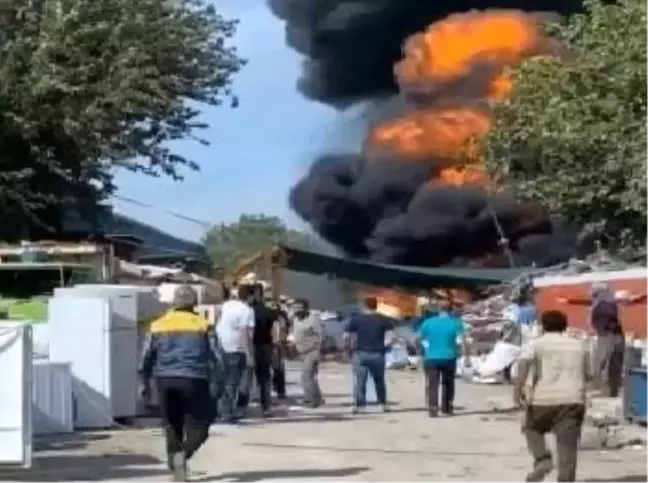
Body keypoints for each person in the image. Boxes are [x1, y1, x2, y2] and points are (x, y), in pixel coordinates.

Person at [138, 285, 221, 483]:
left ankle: (177, 469)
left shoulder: (157, 325)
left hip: (164, 380)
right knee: (201, 424)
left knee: (171, 424)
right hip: (195, 378)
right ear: (194, 304)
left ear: (174, 303)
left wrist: (144, 382)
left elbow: (146, 357)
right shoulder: (203, 324)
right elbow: (217, 357)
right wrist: (220, 382)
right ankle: (182, 456)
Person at [514, 310, 589, 483]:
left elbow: (523, 367)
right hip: (573, 400)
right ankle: (566, 479)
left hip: (542, 400)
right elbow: (589, 373)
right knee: (567, 447)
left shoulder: (535, 344)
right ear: (565, 325)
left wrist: (517, 393)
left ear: (542, 326)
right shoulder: (579, 345)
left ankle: (543, 460)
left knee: (531, 428)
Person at [558, 282, 645, 397]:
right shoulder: (600, 300)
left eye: (593, 291)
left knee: (605, 362)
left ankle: (607, 390)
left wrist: (637, 298)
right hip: (608, 335)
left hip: (609, 336)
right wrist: (569, 301)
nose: (592, 294)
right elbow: (588, 302)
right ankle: (610, 390)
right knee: (609, 363)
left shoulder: (608, 300)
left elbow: (624, 301)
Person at [344, 296, 395, 414]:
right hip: (378, 353)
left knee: (360, 381)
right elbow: (391, 337)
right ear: (376, 306)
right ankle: (383, 404)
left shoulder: (356, 319)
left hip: (360, 353)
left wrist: (348, 350)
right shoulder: (383, 319)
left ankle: (359, 405)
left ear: (363, 306)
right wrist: (386, 347)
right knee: (379, 380)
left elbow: (347, 336)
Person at [416, 298, 466, 417]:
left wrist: (424, 349)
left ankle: (433, 408)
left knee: (432, 384)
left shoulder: (428, 322)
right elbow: (461, 341)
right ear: (451, 310)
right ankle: (447, 407)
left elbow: (418, 338)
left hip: (431, 357)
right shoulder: (456, 323)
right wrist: (464, 355)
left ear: (438, 309)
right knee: (448, 383)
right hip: (449, 357)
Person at [215, 284, 255, 423]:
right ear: (251, 296)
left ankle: (220, 410)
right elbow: (246, 334)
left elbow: (217, 321)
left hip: (220, 346)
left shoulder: (226, 305)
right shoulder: (247, 310)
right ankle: (227, 413)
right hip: (236, 348)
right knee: (234, 382)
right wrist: (249, 355)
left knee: (222, 380)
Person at [238, 283, 277, 417]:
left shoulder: (245, 310)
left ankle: (242, 407)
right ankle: (266, 407)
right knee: (264, 378)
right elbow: (274, 326)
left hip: (250, 345)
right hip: (265, 346)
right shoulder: (267, 310)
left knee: (246, 377)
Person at [292, 298, 325, 407]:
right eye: (295, 308)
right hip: (302, 351)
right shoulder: (296, 319)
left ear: (306, 309)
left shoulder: (314, 319)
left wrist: (318, 349)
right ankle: (318, 398)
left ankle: (310, 400)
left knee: (306, 376)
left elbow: (321, 336)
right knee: (311, 376)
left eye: (300, 308)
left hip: (313, 350)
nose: (297, 310)